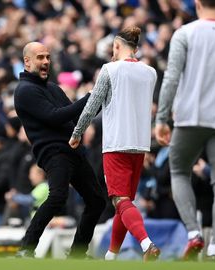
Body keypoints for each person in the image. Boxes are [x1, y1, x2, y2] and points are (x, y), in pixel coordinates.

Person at [154, 0, 215, 260]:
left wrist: (162, 118)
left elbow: (172, 77)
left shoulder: (185, 33)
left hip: (190, 117)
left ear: (197, 3)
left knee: (179, 171)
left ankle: (193, 234)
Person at [69, 26, 160, 261]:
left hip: (117, 144)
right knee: (125, 203)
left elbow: (93, 105)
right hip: (140, 144)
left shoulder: (110, 70)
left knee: (120, 201)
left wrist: (77, 131)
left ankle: (146, 243)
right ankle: (111, 256)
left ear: (117, 46)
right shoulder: (150, 72)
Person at [13, 42, 105, 258]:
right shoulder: (24, 91)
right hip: (54, 151)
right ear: (27, 61)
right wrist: (92, 95)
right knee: (58, 196)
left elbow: (76, 116)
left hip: (74, 150)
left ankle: (77, 255)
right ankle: (26, 249)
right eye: (40, 57)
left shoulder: (52, 88)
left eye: (47, 57)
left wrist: (100, 97)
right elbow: (55, 117)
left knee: (97, 201)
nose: (46, 61)